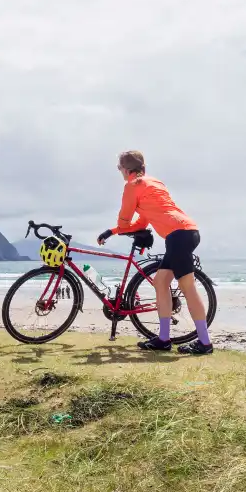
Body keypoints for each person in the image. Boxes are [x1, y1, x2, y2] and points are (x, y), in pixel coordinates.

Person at [97, 150, 210, 355]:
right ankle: (163, 340)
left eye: (119, 168)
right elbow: (143, 221)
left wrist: (114, 231)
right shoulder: (155, 183)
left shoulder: (132, 186)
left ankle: (204, 343)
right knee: (160, 282)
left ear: (125, 169)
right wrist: (114, 231)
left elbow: (125, 220)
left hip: (179, 236)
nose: (120, 172)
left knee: (188, 287)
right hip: (186, 232)